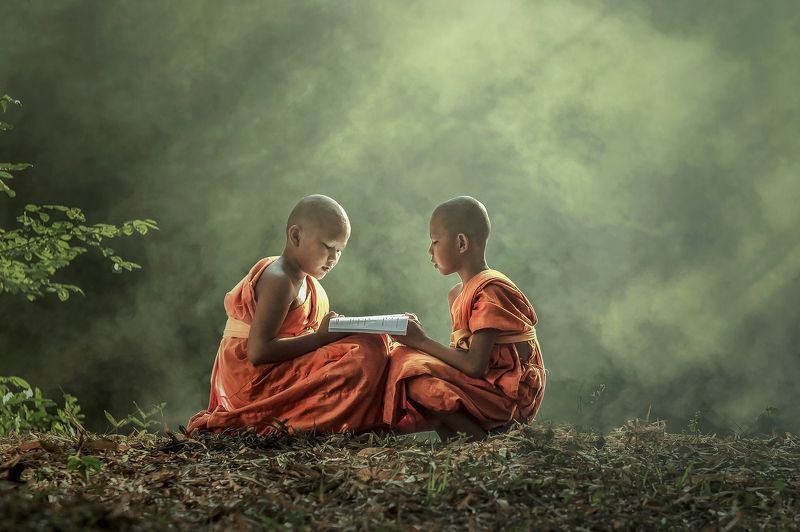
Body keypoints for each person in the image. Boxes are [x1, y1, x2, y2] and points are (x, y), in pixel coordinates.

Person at [187, 194, 390, 435]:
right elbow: (258, 352)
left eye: (339, 250)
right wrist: (323, 337)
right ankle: (334, 423)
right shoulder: (279, 279)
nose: (334, 258)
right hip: (251, 380)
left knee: (371, 343)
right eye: (327, 247)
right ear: (296, 236)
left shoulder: (304, 279)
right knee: (366, 353)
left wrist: (334, 333)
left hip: (279, 366)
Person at [384, 196, 546, 442]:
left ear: (461, 243)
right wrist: (414, 342)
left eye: (435, 242)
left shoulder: (490, 290)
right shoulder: (459, 293)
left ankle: (480, 445)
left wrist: (419, 340)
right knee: (404, 358)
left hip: (506, 397)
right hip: (484, 386)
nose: (430, 252)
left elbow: (474, 366)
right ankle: (457, 443)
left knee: (414, 373)